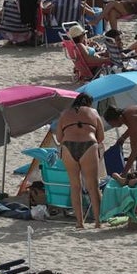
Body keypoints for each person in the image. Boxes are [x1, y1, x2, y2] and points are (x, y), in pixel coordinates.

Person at [55, 94, 104, 229]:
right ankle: (98, 222)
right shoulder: (93, 112)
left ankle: (79, 223)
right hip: (88, 145)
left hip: (68, 147)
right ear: (89, 103)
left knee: (75, 186)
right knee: (93, 187)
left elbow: (59, 138)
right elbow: (101, 137)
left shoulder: (64, 114)